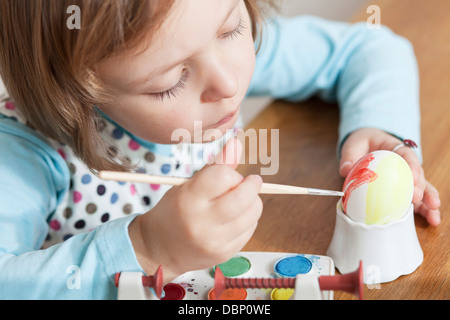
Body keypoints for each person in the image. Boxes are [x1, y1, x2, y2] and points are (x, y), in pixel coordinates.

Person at [0, 0, 440, 299]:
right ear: (75, 90)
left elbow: (368, 47)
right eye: (168, 83)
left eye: (232, 29)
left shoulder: (197, 30)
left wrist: (377, 127)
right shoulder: (23, 151)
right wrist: (149, 249)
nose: (229, 85)